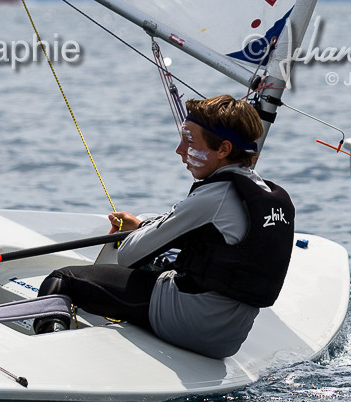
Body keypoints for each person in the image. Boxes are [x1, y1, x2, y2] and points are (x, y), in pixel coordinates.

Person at [36, 94, 295, 359]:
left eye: (189, 141)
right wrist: (143, 225)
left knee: (63, 280)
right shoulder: (267, 197)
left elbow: (128, 256)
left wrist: (136, 232)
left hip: (186, 322)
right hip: (228, 338)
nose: (179, 149)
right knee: (163, 266)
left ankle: (49, 354)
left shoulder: (214, 197)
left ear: (223, 149)